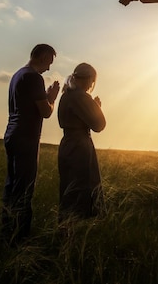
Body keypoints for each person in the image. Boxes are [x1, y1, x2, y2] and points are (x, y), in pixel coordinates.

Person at [2, 44, 60, 244]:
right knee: (24, 188)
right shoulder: (34, 77)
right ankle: (19, 238)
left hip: (12, 134)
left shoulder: (18, 75)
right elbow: (45, 112)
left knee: (12, 185)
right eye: (49, 62)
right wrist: (51, 98)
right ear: (43, 57)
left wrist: (44, 96)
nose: (49, 68)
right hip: (27, 137)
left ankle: (6, 230)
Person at [57, 63, 106, 221]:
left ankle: (65, 226)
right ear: (90, 80)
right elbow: (99, 125)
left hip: (67, 144)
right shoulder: (82, 97)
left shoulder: (66, 95)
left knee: (68, 187)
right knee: (83, 187)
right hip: (80, 146)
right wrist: (96, 107)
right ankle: (79, 227)